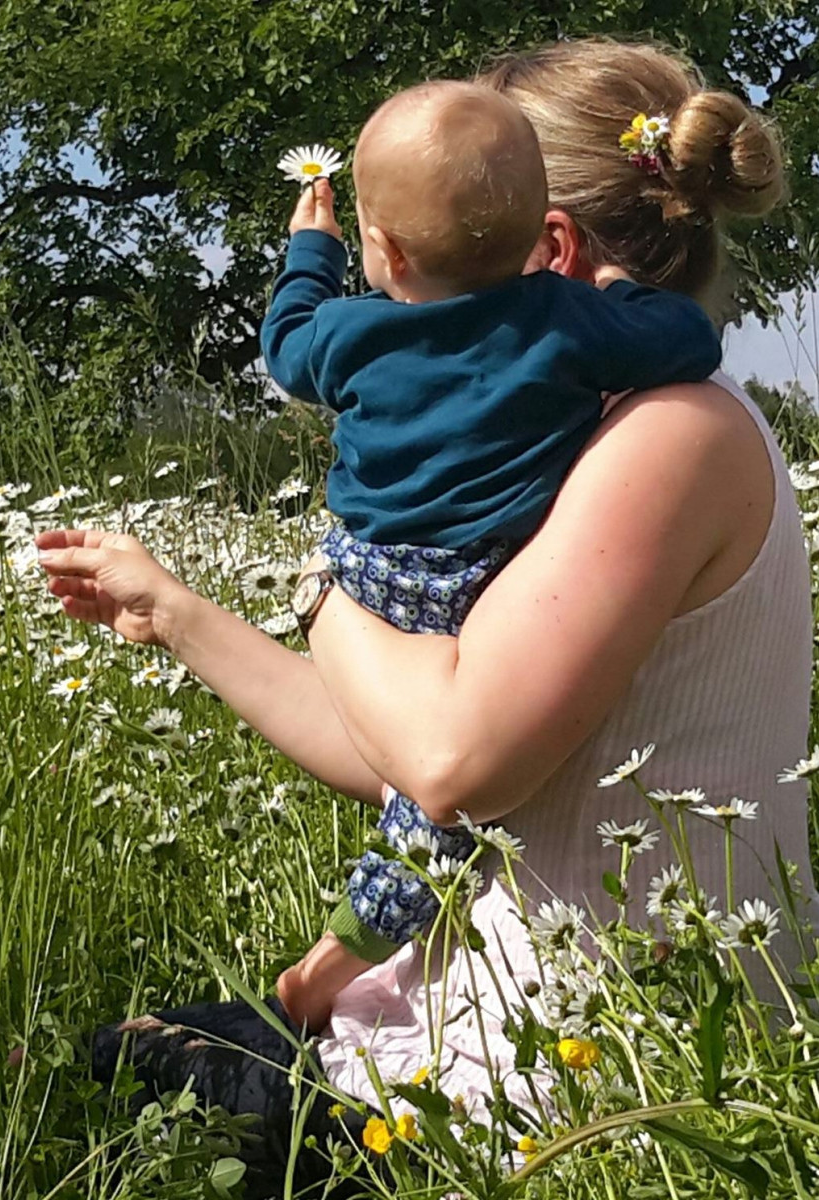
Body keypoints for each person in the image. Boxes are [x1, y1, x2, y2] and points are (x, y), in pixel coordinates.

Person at [36, 36, 819, 1195]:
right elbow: (405, 752)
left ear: (550, 249)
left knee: (128, 1088)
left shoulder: (673, 439)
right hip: (538, 1028)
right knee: (133, 1053)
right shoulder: (602, 433)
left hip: (593, 1078)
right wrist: (173, 612)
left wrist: (333, 577)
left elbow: (451, 759)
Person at [258, 78, 723, 999]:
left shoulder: (349, 334)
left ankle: (342, 965)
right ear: (538, 243)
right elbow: (687, 340)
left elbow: (284, 344)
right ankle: (347, 957)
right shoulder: (561, 322)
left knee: (430, 793)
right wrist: (623, 288)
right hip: (487, 575)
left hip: (368, 573)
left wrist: (311, 250)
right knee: (437, 811)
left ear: (381, 247)